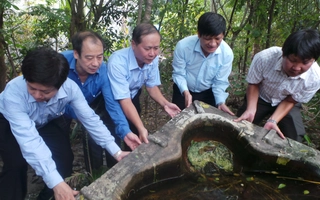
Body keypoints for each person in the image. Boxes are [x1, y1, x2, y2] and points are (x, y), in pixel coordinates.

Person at [0, 47, 129, 200]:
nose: (37, 95)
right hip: (10, 121)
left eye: (45, 92)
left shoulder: (70, 88)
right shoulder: (13, 94)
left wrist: (116, 151)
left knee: (64, 160)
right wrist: (55, 182)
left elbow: (89, 119)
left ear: (59, 85)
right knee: (15, 165)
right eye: (32, 88)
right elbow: (30, 141)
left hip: (46, 120)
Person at [61, 31, 141, 171]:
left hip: (90, 106)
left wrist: (125, 131)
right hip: (59, 110)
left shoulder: (103, 70)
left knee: (96, 135)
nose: (95, 63)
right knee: (61, 151)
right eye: (89, 58)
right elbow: (53, 100)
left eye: (100, 57)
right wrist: (80, 114)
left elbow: (112, 105)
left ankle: (95, 174)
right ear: (76, 54)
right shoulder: (60, 64)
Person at [234, 29, 320, 142]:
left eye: (305, 63)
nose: (297, 68)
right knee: (240, 125)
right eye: (293, 60)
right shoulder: (264, 58)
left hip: (287, 101)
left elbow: (292, 100)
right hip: (261, 96)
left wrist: (273, 120)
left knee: (295, 135)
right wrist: (250, 109)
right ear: (284, 53)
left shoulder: (315, 78)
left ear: (313, 60)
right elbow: (254, 84)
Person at [107, 23, 181, 145]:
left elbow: (151, 86)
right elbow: (124, 100)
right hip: (114, 102)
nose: (152, 53)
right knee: (115, 139)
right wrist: (142, 127)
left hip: (133, 97)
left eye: (156, 48)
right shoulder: (117, 62)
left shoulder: (152, 58)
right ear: (133, 44)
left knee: (135, 134)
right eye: (147, 49)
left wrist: (165, 104)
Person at [171, 12, 234, 115]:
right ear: (199, 34)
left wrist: (220, 102)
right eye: (208, 38)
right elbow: (179, 74)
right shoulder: (183, 47)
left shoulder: (226, 54)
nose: (213, 44)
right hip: (183, 90)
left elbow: (220, 82)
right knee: (178, 121)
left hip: (208, 93)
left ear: (223, 35)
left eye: (218, 39)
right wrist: (185, 92)